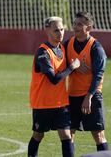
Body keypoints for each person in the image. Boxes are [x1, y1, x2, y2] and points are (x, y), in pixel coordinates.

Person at [28, 16, 80, 157]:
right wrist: (72, 67)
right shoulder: (43, 52)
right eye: (56, 30)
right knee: (38, 135)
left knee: (66, 135)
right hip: (43, 104)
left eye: (62, 29)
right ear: (47, 31)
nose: (60, 33)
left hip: (61, 103)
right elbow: (54, 79)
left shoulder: (62, 48)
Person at [64, 11, 108, 152]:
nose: (75, 27)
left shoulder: (96, 48)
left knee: (98, 135)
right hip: (72, 95)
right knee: (68, 134)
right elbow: (59, 64)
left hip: (91, 96)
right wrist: (73, 65)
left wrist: (88, 97)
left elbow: (98, 75)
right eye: (74, 24)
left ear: (88, 27)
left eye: (80, 24)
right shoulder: (67, 44)